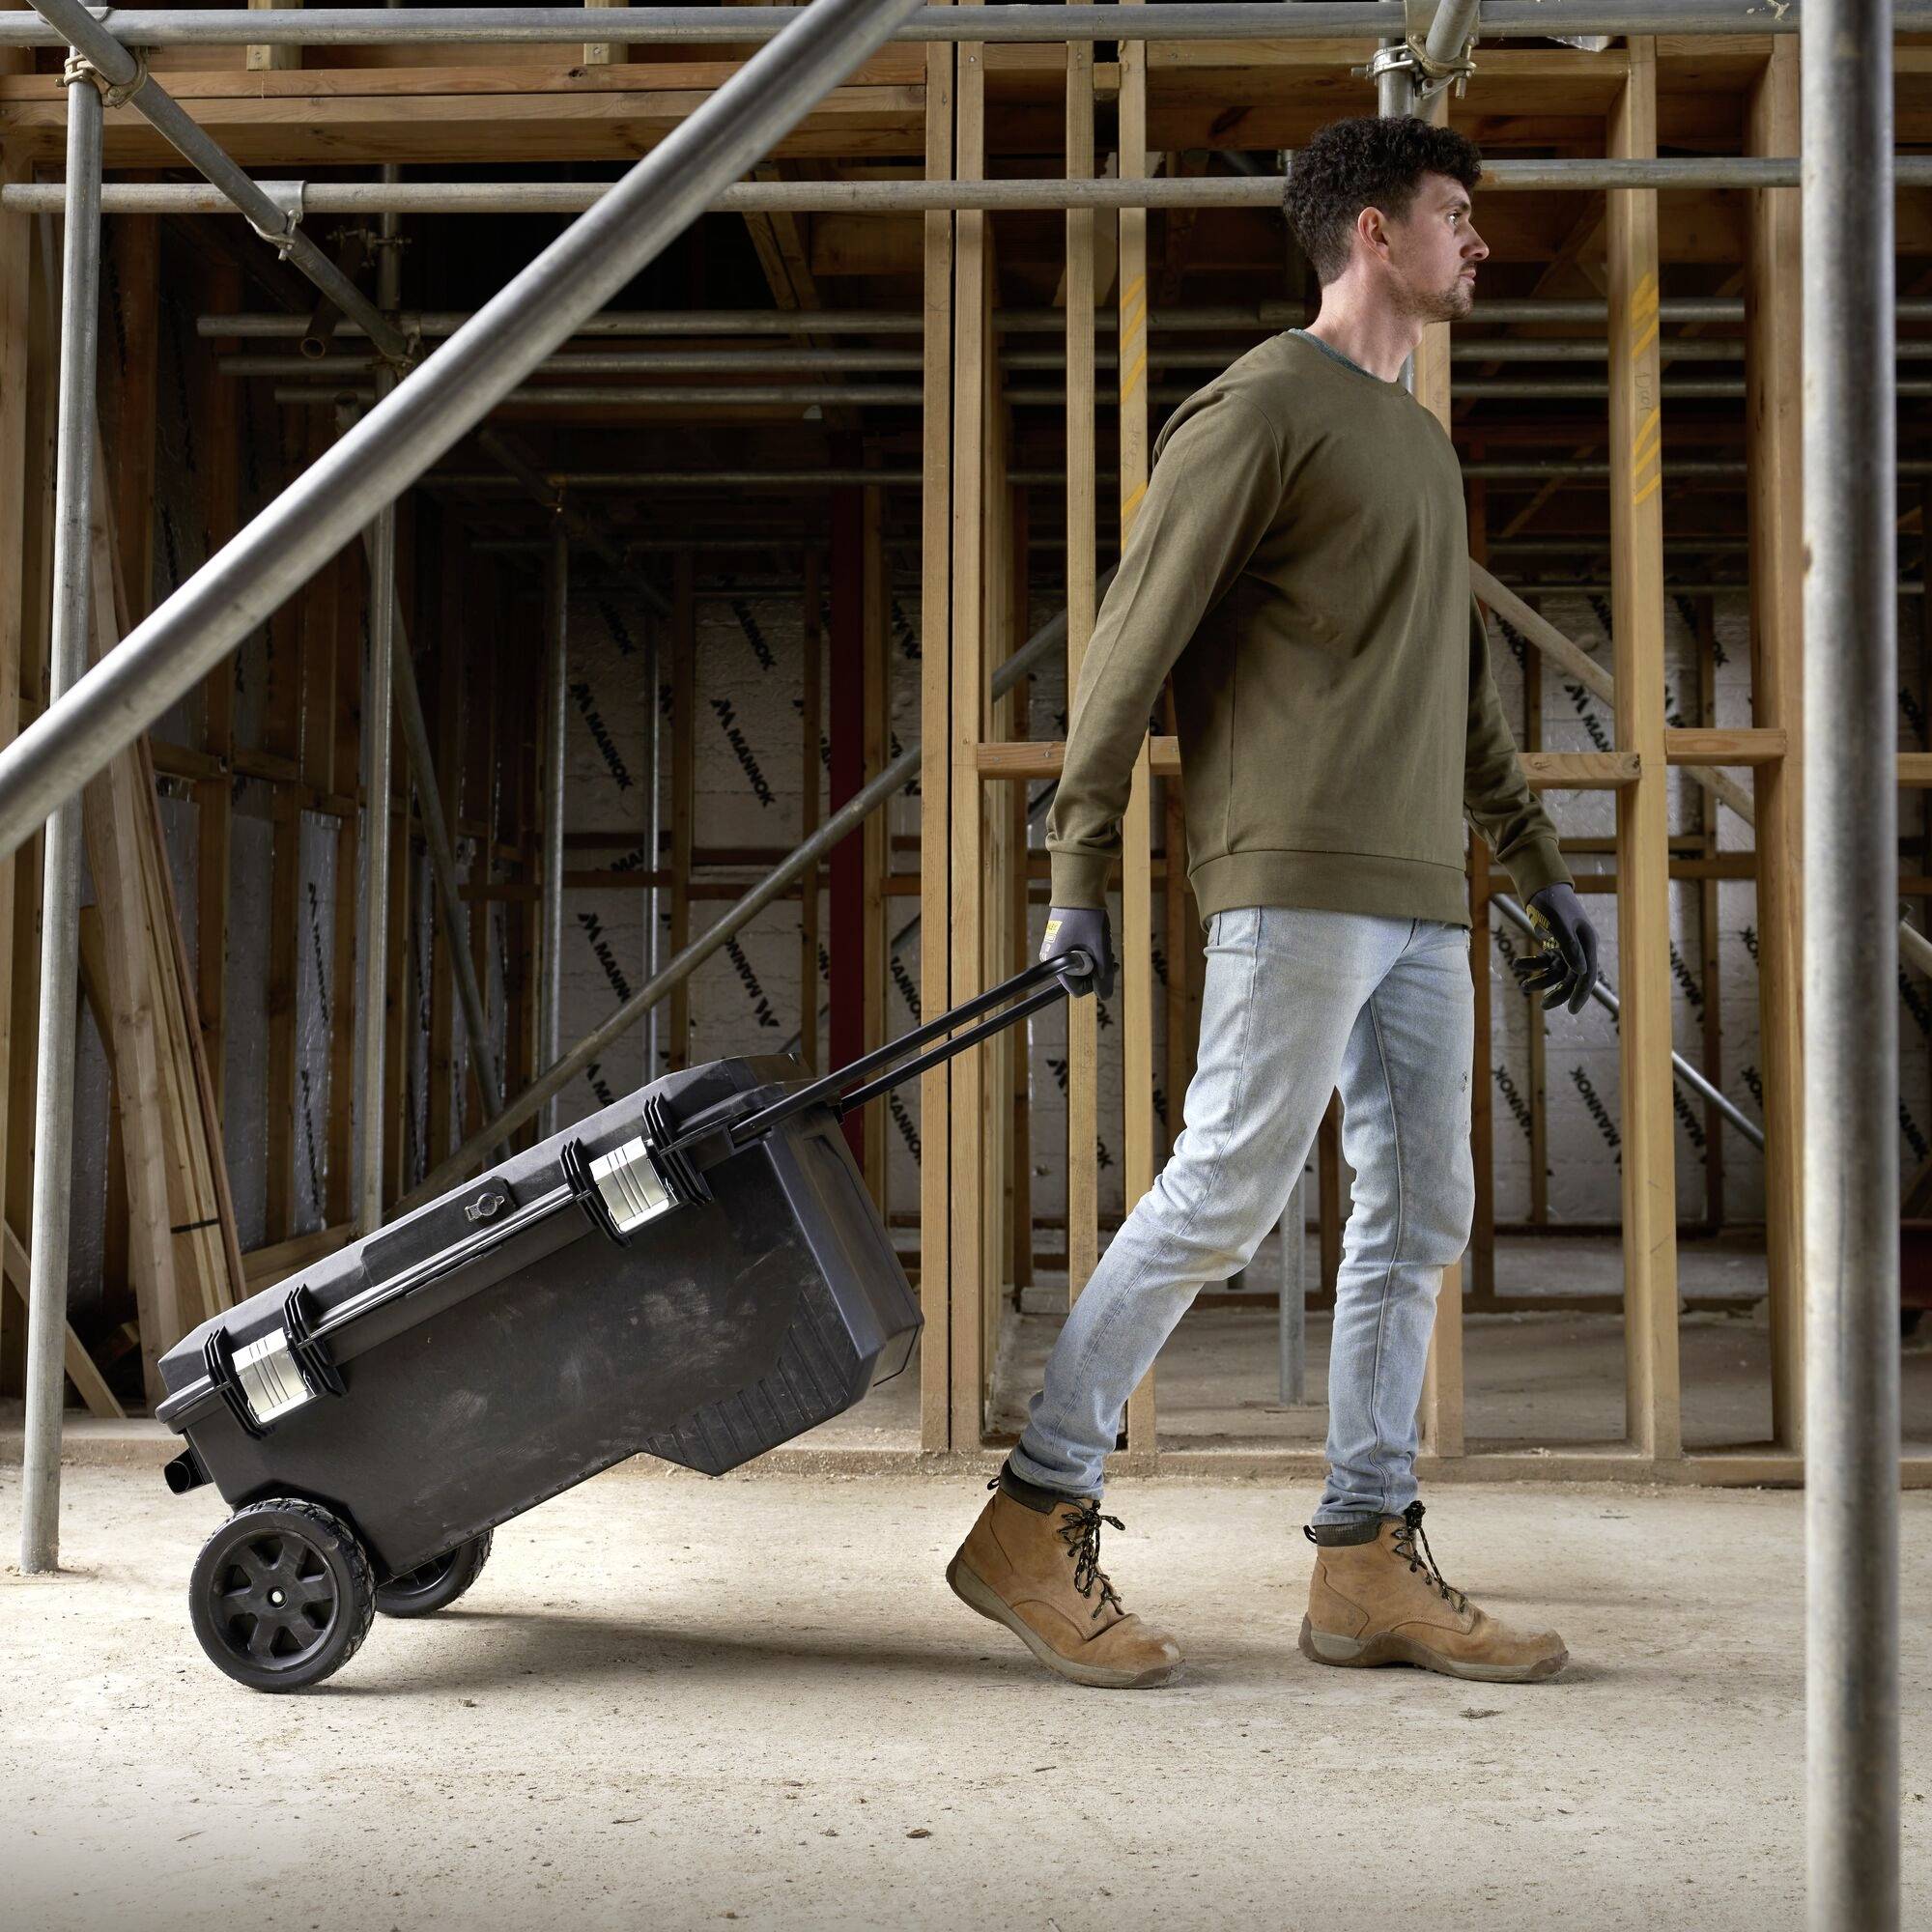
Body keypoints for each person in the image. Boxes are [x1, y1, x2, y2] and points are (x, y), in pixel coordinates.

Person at [945, 115, 1598, 1690]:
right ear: (1373, 234)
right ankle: (1034, 1512)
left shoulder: (1424, 448)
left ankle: (1365, 1560)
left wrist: (1534, 860)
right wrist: (1077, 864)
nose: (1478, 241)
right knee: (1225, 1193)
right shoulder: (1258, 409)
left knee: (1419, 1212)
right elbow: (1132, 636)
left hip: (1422, 892)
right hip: (1295, 873)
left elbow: (1454, 694)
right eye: (1455, 214)